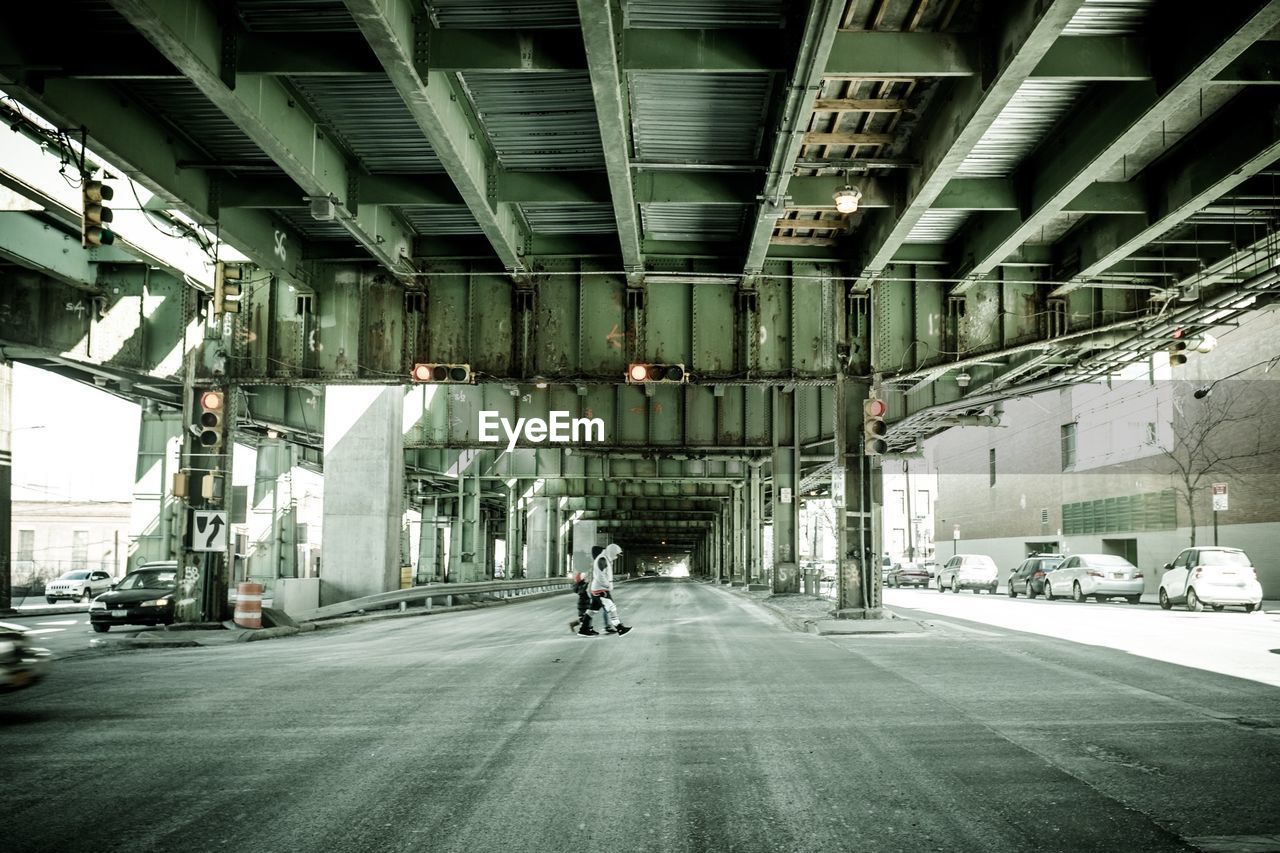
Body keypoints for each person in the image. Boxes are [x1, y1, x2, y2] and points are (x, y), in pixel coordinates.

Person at [590, 543, 631, 636]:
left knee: (592, 610)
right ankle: (619, 628)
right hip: (601, 589)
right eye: (616, 554)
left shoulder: (604, 560)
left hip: (599, 589)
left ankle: (584, 628)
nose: (616, 557)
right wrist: (608, 585)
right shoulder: (602, 560)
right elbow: (600, 576)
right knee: (611, 608)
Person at [569, 571, 599, 636]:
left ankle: (589, 629)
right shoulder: (580, 585)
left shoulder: (582, 584)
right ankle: (573, 624)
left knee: (589, 616)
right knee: (584, 618)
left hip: (585, 603)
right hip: (583, 604)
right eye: (584, 578)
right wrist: (587, 583)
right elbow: (582, 591)